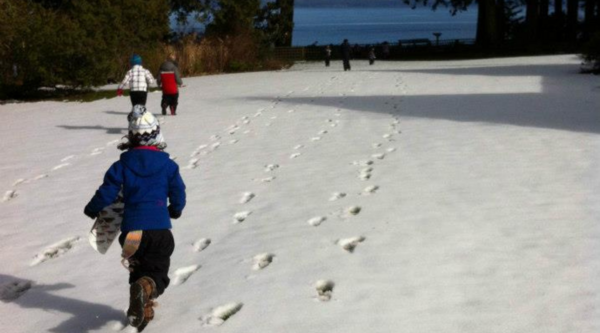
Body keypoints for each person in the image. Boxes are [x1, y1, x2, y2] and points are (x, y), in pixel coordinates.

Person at [84, 105, 186, 331]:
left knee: (139, 270)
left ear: (130, 138)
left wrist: (93, 208)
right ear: (156, 136)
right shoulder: (168, 166)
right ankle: (146, 290)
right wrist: (176, 209)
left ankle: (142, 313)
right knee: (157, 273)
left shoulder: (120, 166)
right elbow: (178, 191)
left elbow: (107, 192)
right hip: (159, 230)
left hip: (131, 234)